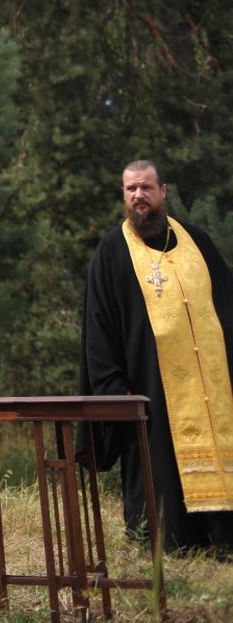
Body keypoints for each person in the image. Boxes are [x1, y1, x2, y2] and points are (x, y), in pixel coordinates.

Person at [80, 159, 233, 552]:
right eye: (131, 190)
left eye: (146, 188)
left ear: (163, 192)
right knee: (161, 479)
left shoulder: (198, 243)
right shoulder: (112, 253)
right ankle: (172, 545)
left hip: (213, 393)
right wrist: (116, 393)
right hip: (151, 390)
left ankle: (224, 541)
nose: (138, 197)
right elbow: (98, 330)